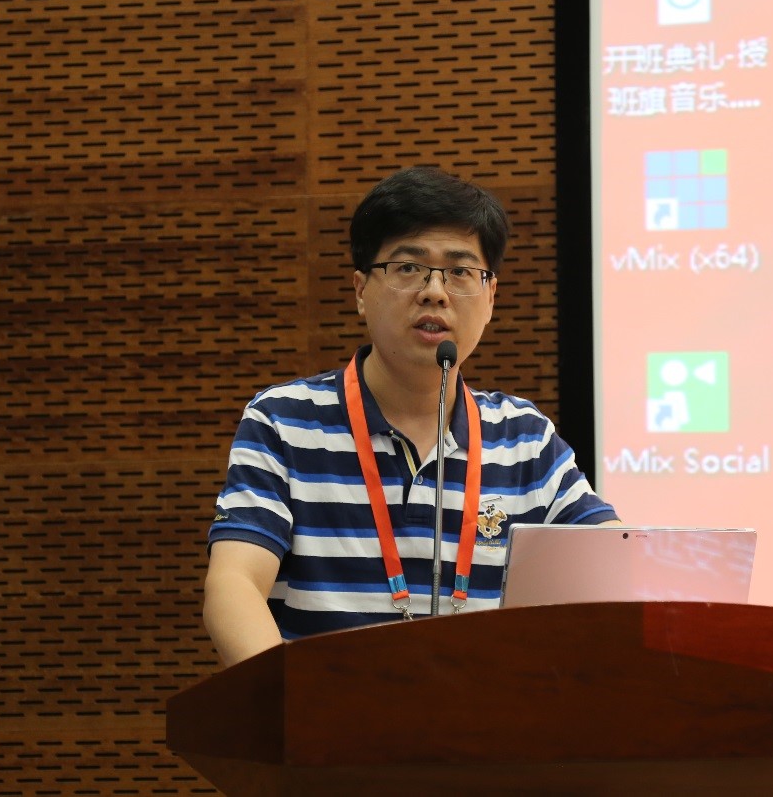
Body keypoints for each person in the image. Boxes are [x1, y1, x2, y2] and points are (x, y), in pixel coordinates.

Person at [203, 166, 619, 666]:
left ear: (491, 297)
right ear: (361, 290)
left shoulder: (525, 439)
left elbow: (615, 567)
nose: (434, 292)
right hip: (326, 711)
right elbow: (235, 583)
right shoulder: (284, 422)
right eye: (408, 267)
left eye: (460, 272)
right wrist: (288, 700)